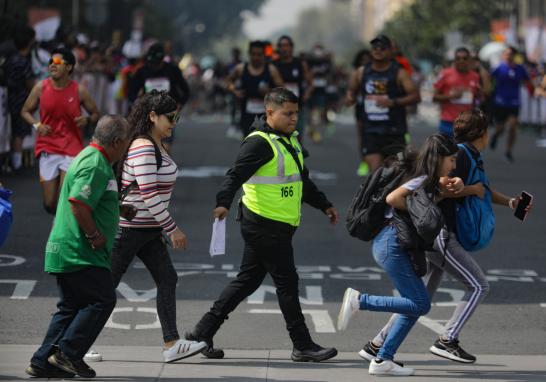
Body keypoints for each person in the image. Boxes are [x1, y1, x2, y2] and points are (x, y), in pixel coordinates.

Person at [358, 108, 534, 366]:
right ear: (482, 134)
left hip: (436, 233)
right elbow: (441, 188)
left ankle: (377, 345)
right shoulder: (460, 155)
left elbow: (481, 189)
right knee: (478, 285)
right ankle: (447, 339)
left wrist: (510, 202)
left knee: (419, 299)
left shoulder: (470, 155)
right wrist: (467, 188)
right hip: (441, 233)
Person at [185, 87, 339, 362]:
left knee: (247, 281)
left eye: (296, 113)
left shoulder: (290, 141)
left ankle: (201, 333)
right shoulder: (258, 143)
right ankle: (302, 344)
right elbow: (234, 175)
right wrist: (223, 202)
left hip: (280, 224)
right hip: (263, 224)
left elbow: (301, 181)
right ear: (270, 113)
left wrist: (324, 204)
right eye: (287, 114)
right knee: (287, 282)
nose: (294, 119)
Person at [337, 134, 463, 376]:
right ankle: (359, 301)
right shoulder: (422, 176)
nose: (453, 165)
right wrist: (419, 210)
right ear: (438, 158)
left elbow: (419, 201)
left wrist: (443, 192)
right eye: (451, 160)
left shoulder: (424, 175)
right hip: (391, 243)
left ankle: (383, 359)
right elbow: (393, 198)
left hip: (390, 243)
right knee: (419, 303)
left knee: (413, 304)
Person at [25, 115, 132, 379]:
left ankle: (42, 361)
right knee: (102, 299)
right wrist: (95, 234)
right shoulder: (95, 163)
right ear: (117, 141)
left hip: (69, 247)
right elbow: (78, 203)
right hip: (79, 249)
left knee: (71, 306)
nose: (127, 148)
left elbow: (91, 198)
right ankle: (68, 354)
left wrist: (117, 208)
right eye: (126, 142)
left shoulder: (91, 158)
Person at [110, 91, 206, 362]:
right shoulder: (143, 146)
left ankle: (171, 343)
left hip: (147, 230)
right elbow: (149, 194)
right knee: (104, 288)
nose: (175, 122)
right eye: (170, 117)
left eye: (177, 116)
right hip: (130, 229)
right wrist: (172, 228)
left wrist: (160, 228)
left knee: (167, 279)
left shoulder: (156, 144)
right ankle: (71, 345)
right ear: (152, 116)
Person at [21, 47, 100, 215]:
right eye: (50, 62)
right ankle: (59, 220)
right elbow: (25, 111)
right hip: (48, 147)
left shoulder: (79, 91)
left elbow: (96, 114)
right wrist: (37, 125)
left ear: (69, 67)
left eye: (57, 62)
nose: (52, 65)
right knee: (49, 203)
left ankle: (62, 231)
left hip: (71, 149)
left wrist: (86, 119)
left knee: (66, 200)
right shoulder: (41, 88)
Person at [346, 34, 420, 173]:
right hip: (371, 131)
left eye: (382, 47)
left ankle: (391, 193)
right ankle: (376, 194)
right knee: (376, 172)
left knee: (396, 172)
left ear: (390, 51)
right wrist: (350, 97)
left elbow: (415, 96)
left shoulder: (399, 73)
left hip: (394, 132)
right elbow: (351, 90)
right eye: (375, 47)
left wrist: (393, 102)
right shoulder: (362, 72)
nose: (378, 50)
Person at [129, 43, 190, 152]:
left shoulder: (173, 70)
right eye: (152, 63)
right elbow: (131, 92)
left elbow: (186, 91)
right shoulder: (142, 71)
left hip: (171, 113)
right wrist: (137, 103)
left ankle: (165, 166)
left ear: (162, 60)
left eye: (157, 63)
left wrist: (179, 105)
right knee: (148, 146)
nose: (154, 66)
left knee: (165, 147)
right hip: (148, 112)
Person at [227, 40, 283, 137]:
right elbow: (228, 81)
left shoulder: (271, 70)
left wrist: (269, 92)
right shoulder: (240, 69)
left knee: (265, 145)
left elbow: (282, 90)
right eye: (253, 54)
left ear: (264, 55)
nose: (256, 57)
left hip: (267, 115)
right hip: (247, 114)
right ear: (249, 54)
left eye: (259, 54)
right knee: (249, 143)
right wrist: (234, 91)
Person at [489, 46, 534, 162]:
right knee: (501, 128)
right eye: (506, 54)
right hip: (500, 102)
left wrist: (532, 90)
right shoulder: (498, 68)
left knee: (513, 126)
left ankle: (508, 151)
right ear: (503, 55)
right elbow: (488, 80)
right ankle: (495, 135)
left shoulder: (520, 69)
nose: (509, 56)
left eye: (511, 54)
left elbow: (527, 81)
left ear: (514, 56)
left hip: (514, 102)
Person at [5, 24, 36, 171]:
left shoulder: (10, 59)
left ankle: (13, 160)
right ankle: (16, 164)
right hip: (22, 98)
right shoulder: (24, 61)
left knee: (13, 130)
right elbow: (29, 82)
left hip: (10, 97)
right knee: (20, 131)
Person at [433, 47, 481, 136]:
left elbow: (475, 99)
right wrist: (452, 96)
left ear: (469, 60)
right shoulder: (445, 74)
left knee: (463, 149)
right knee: (447, 150)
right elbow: (434, 97)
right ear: (454, 60)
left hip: (466, 124)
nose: (461, 61)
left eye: (465, 58)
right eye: (458, 58)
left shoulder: (475, 76)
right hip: (447, 122)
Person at [273, 35, 313, 141]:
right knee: (280, 138)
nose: (284, 48)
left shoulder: (299, 64)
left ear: (291, 47)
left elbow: (311, 84)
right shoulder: (273, 65)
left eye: (286, 45)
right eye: (281, 46)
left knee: (296, 137)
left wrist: (306, 94)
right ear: (278, 48)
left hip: (297, 106)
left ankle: (296, 157)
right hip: (279, 107)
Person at [306, 44, 333, 143]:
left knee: (319, 112)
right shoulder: (309, 62)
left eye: (320, 50)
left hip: (321, 91)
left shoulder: (326, 62)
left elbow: (330, 74)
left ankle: (315, 131)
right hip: (311, 90)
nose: (318, 52)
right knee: (311, 112)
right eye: (316, 50)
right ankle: (312, 129)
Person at [351, 49, 372, 176]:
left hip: (376, 110)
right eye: (362, 60)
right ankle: (364, 162)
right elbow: (351, 90)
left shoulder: (378, 73)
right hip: (361, 108)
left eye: (367, 59)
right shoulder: (358, 73)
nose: (365, 62)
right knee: (362, 136)